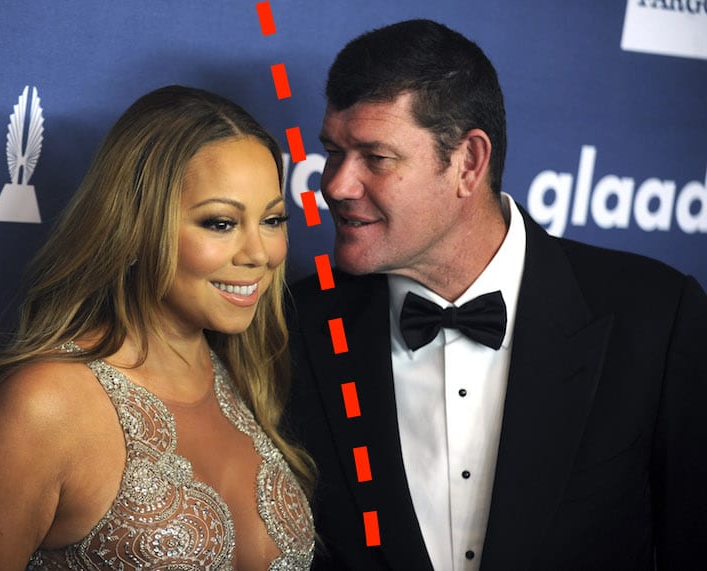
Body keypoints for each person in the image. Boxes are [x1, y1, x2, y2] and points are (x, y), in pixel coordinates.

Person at [285, 19, 707, 570]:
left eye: (376, 157)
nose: (335, 185)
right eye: (333, 152)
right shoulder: (296, 328)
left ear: (468, 163)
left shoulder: (656, 318)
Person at [0, 85, 315, 570]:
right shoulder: (46, 402)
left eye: (273, 220)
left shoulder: (249, 377)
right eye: (220, 223)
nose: (260, 254)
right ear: (134, 228)